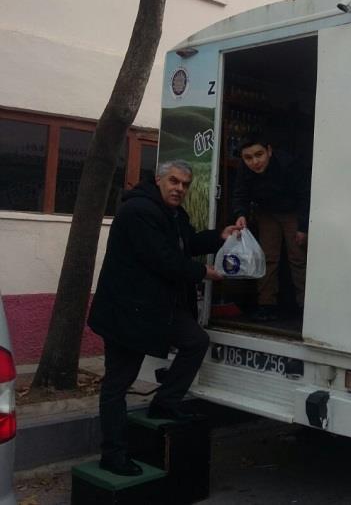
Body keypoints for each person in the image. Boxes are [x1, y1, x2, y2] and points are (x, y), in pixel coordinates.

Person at [88, 160, 239, 476]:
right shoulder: (139, 211)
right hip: (126, 312)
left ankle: (165, 403)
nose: (180, 189)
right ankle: (113, 454)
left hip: (155, 309)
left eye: (185, 184)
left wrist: (219, 237)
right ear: (158, 180)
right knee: (118, 384)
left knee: (196, 341)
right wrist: (204, 272)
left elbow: (188, 243)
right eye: (174, 181)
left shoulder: (172, 213)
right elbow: (163, 259)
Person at [232, 133, 309, 322]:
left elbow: (305, 195)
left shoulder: (288, 164)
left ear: (269, 150)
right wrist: (240, 214)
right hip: (266, 212)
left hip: (292, 211)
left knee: (298, 257)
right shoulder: (244, 168)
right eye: (248, 158)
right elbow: (240, 193)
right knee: (267, 258)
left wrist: (303, 226)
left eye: (259, 155)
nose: (255, 162)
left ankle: (305, 306)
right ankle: (266, 305)